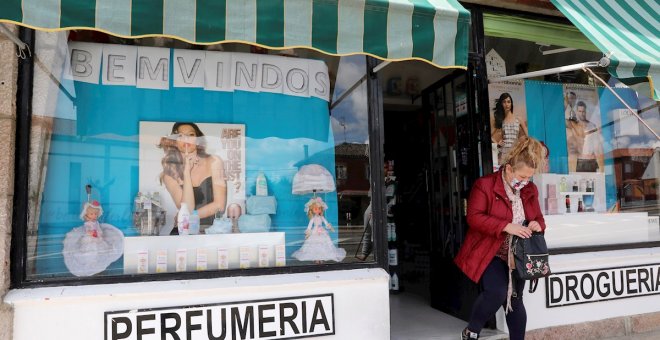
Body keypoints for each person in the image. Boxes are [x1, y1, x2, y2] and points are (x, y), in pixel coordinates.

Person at [455, 137, 547, 340]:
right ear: (508, 169)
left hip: (519, 255)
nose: (524, 182)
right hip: (491, 251)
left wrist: (537, 225)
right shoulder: (485, 185)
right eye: (521, 177)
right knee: (496, 292)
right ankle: (472, 331)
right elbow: (474, 217)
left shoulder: (530, 190)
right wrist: (506, 226)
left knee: (515, 299)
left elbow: (539, 218)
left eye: (528, 178)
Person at [159, 122, 227, 233]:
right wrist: (186, 172)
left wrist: (191, 216)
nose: (186, 139)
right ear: (175, 142)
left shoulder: (214, 162)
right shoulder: (169, 174)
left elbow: (220, 205)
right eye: (180, 135)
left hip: (211, 232)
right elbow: (187, 208)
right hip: (183, 233)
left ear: (198, 140)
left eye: (191, 135)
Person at [292, 197, 346, 263]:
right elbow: (309, 226)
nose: (318, 210)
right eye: (316, 209)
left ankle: (321, 257)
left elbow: (326, 223)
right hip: (315, 231)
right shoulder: (313, 218)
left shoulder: (322, 217)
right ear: (312, 210)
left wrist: (330, 227)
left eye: (319, 209)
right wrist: (308, 233)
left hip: (321, 230)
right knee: (314, 244)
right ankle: (316, 258)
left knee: (323, 243)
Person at [565, 101, 604, 172]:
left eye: (583, 111)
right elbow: (563, 121)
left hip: (591, 160)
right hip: (579, 161)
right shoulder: (573, 124)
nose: (582, 113)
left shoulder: (592, 125)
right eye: (580, 111)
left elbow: (597, 145)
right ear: (576, 112)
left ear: (586, 112)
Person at [491, 93, 528, 164]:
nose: (507, 104)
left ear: (511, 103)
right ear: (501, 104)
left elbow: (527, 137)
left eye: (508, 101)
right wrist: (497, 143)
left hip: (515, 152)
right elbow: (490, 136)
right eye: (504, 102)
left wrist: (521, 145)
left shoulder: (519, 119)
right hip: (504, 154)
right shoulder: (501, 120)